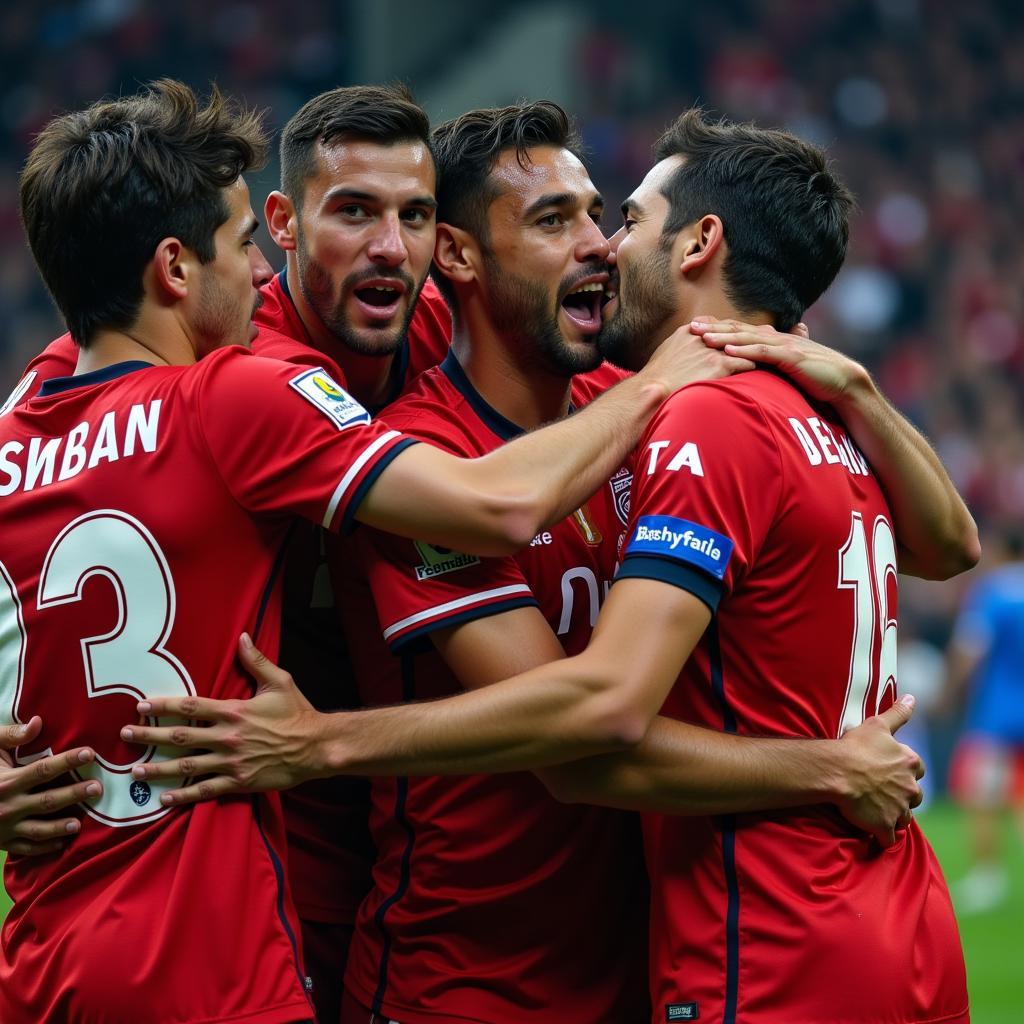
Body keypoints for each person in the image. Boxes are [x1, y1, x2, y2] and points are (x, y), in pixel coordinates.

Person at [134, 110, 976, 1022]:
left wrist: (855, 385)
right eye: (552, 223)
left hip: (647, 960)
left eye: (601, 214)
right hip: (471, 983)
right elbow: (581, 740)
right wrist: (825, 767)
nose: (600, 248)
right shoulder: (426, 464)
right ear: (457, 260)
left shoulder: (639, 406)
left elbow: (949, 548)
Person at [0, 80, 720, 1024]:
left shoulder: (31, 418)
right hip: (269, 884)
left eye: (415, 215)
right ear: (278, 227)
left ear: (446, 246)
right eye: (351, 213)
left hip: (119, 916)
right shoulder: (242, 375)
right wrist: (662, 382)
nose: (391, 247)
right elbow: (504, 513)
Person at [945, 527, 1024, 913]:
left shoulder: (992, 592)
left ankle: (987, 876)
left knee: (983, 796)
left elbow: (970, 647)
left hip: (996, 715)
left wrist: (951, 691)